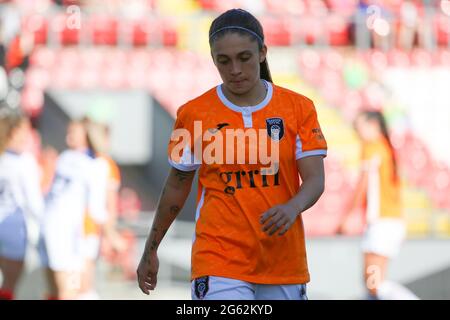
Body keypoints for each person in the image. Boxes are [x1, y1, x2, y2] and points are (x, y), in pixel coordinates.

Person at [137, 9, 327, 300]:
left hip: (282, 260)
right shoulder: (192, 114)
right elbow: (176, 185)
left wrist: (293, 207)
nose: (235, 69)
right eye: (223, 61)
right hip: (218, 259)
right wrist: (151, 248)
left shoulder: (298, 108)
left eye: (244, 58)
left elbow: (315, 179)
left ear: (262, 53)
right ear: (213, 60)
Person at [337, 110, 418, 300]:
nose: (356, 132)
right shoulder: (386, 148)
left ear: (373, 126)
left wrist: (349, 216)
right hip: (389, 222)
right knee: (371, 284)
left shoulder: (372, 146)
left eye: (358, 127)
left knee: (374, 283)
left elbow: (363, 183)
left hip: (382, 223)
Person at [41, 120, 109, 299]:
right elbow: (98, 209)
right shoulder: (91, 164)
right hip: (68, 235)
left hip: (59, 230)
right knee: (71, 289)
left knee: (59, 288)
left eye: (74, 131)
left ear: (87, 135)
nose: (68, 135)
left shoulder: (70, 159)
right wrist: (110, 234)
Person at [0, 104, 44, 300]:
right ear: (14, 131)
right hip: (14, 227)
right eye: (25, 130)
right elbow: (34, 203)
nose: (28, 135)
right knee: (10, 285)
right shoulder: (24, 161)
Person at [78, 119, 125, 300]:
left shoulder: (100, 164)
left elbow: (107, 205)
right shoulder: (101, 164)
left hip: (87, 229)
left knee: (82, 283)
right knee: (82, 284)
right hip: (85, 229)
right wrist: (110, 234)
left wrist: (108, 234)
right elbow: (107, 205)